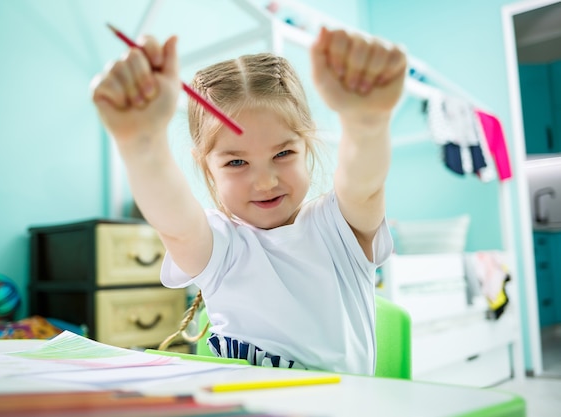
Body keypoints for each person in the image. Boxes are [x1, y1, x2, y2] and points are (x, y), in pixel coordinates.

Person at [91, 26, 407, 375]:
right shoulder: (221, 245)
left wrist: (367, 123)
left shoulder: (337, 227)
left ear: (307, 145)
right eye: (237, 162)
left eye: (283, 153)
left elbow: (363, 184)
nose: (265, 181)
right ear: (208, 168)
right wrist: (141, 144)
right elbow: (176, 224)